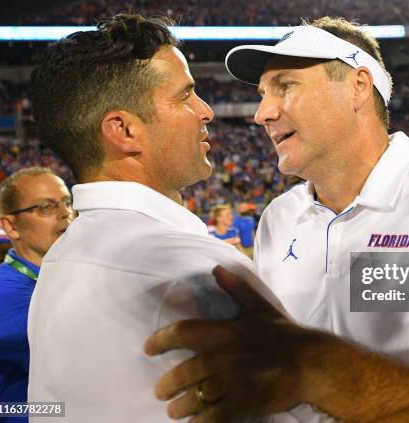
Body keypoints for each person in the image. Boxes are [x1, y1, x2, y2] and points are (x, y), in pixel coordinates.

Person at [146, 17, 409, 422]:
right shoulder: (279, 218)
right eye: (261, 94)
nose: (262, 113)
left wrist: (318, 370)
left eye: (285, 86)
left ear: (358, 86)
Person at [25, 14, 285, 423]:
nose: (206, 111)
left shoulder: (58, 260)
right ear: (124, 131)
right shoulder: (201, 269)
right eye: (185, 96)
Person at [0, 167, 72, 421]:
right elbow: (88, 361)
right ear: (11, 226)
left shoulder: (57, 277)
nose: (65, 214)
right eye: (46, 207)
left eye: (67, 203)